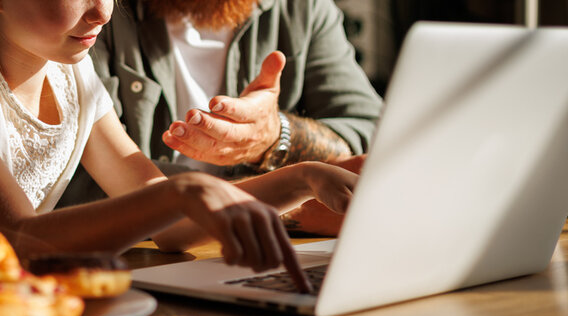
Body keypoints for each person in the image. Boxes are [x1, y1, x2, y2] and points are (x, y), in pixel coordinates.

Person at [0, 0, 358, 289]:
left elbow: (175, 227)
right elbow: (20, 240)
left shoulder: (72, 74)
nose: (102, 10)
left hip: (5, 306)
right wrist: (178, 192)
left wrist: (305, 178)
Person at [59, 0, 383, 235]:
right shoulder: (90, 15)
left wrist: (275, 138)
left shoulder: (303, 10)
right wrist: (285, 199)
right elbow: (78, 178)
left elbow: (374, 136)